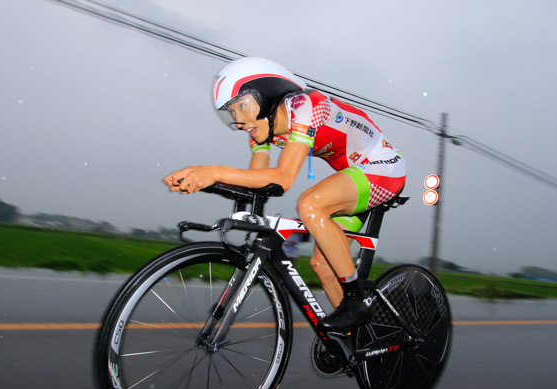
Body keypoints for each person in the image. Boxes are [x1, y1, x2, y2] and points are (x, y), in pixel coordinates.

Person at [164, 57, 406, 333]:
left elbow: (283, 178)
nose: (239, 120)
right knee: (323, 265)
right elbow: (258, 181)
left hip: (383, 167)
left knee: (310, 204)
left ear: (267, 96)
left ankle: (355, 303)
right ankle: (355, 339)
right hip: (353, 176)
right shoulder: (258, 131)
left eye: (242, 106)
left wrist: (215, 171)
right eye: (231, 112)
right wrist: (205, 181)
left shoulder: (305, 106)